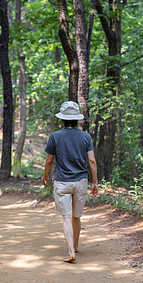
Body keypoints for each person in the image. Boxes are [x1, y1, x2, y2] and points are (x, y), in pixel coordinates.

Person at [42, 101, 98, 263]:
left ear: (63, 119)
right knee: (76, 216)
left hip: (62, 182)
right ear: (77, 119)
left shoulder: (55, 136)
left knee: (66, 217)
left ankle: (71, 251)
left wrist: (45, 176)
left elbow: (48, 160)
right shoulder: (86, 136)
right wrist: (95, 182)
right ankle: (76, 245)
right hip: (81, 182)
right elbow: (92, 161)